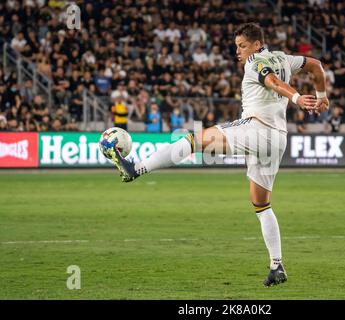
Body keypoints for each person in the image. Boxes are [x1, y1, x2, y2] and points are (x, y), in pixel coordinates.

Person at [103, 23, 328, 287]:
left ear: (257, 44)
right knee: (261, 203)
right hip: (278, 139)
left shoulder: (255, 61)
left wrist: (298, 98)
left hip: (256, 128)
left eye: (242, 45)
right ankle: (277, 266)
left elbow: (272, 82)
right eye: (236, 47)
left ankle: (136, 169)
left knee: (192, 139)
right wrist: (322, 95)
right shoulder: (285, 58)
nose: (238, 51)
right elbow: (315, 65)